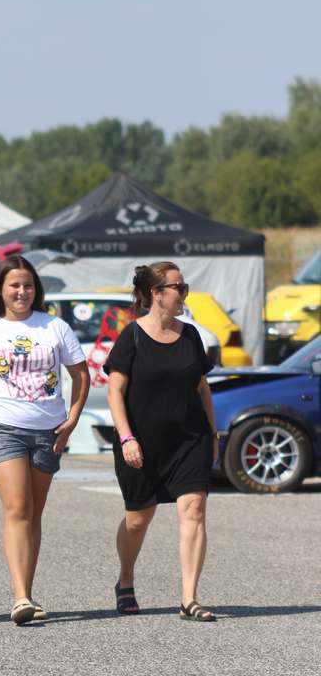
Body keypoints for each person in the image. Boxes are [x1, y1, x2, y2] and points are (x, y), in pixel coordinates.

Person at [0, 254, 90, 625]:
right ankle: (20, 596)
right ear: (1, 290)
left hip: (48, 430)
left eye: (27, 285)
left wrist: (72, 419)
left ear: (35, 289)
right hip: (1, 426)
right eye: (14, 285)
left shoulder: (54, 327)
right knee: (18, 507)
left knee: (33, 514)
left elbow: (81, 374)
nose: (22, 291)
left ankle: (28, 590)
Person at [104, 262, 218, 622]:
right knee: (138, 519)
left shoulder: (191, 336)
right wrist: (126, 438)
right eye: (178, 288)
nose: (183, 294)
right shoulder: (132, 336)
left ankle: (189, 598)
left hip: (189, 439)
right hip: (142, 443)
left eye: (184, 287)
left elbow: (202, 388)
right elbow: (115, 392)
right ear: (156, 293)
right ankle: (125, 580)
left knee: (194, 509)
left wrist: (213, 435)